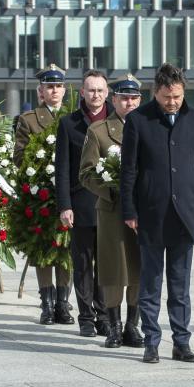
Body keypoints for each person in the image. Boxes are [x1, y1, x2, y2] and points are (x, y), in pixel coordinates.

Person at [120, 63, 194, 364]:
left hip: (184, 213)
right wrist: (130, 210)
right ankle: (151, 341)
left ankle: (181, 342)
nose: (172, 102)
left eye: (177, 96)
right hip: (150, 212)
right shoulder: (138, 120)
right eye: (166, 96)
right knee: (150, 281)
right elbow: (129, 170)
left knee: (180, 283)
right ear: (155, 92)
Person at [79, 74, 144, 349]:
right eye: (124, 98)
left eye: (134, 98)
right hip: (112, 209)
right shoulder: (99, 131)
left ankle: (133, 325)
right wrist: (112, 188)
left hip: (143, 211)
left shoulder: (149, 128)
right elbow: (86, 173)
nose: (129, 102)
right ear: (113, 99)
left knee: (140, 267)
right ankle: (113, 326)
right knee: (114, 269)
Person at [13, 65, 75, 326]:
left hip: (68, 194)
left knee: (67, 249)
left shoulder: (73, 117)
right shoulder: (29, 119)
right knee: (42, 250)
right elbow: (19, 156)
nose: (55, 91)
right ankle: (46, 303)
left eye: (59, 86)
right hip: (40, 195)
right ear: (41, 91)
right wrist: (41, 167)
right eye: (49, 86)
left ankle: (63, 302)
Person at [56, 70, 110, 338]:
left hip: (111, 205)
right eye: (91, 90)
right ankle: (86, 317)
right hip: (81, 205)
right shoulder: (69, 124)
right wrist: (64, 206)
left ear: (107, 92)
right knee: (83, 264)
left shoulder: (119, 121)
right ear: (82, 93)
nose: (96, 95)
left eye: (100, 90)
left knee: (107, 265)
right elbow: (62, 169)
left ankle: (105, 315)